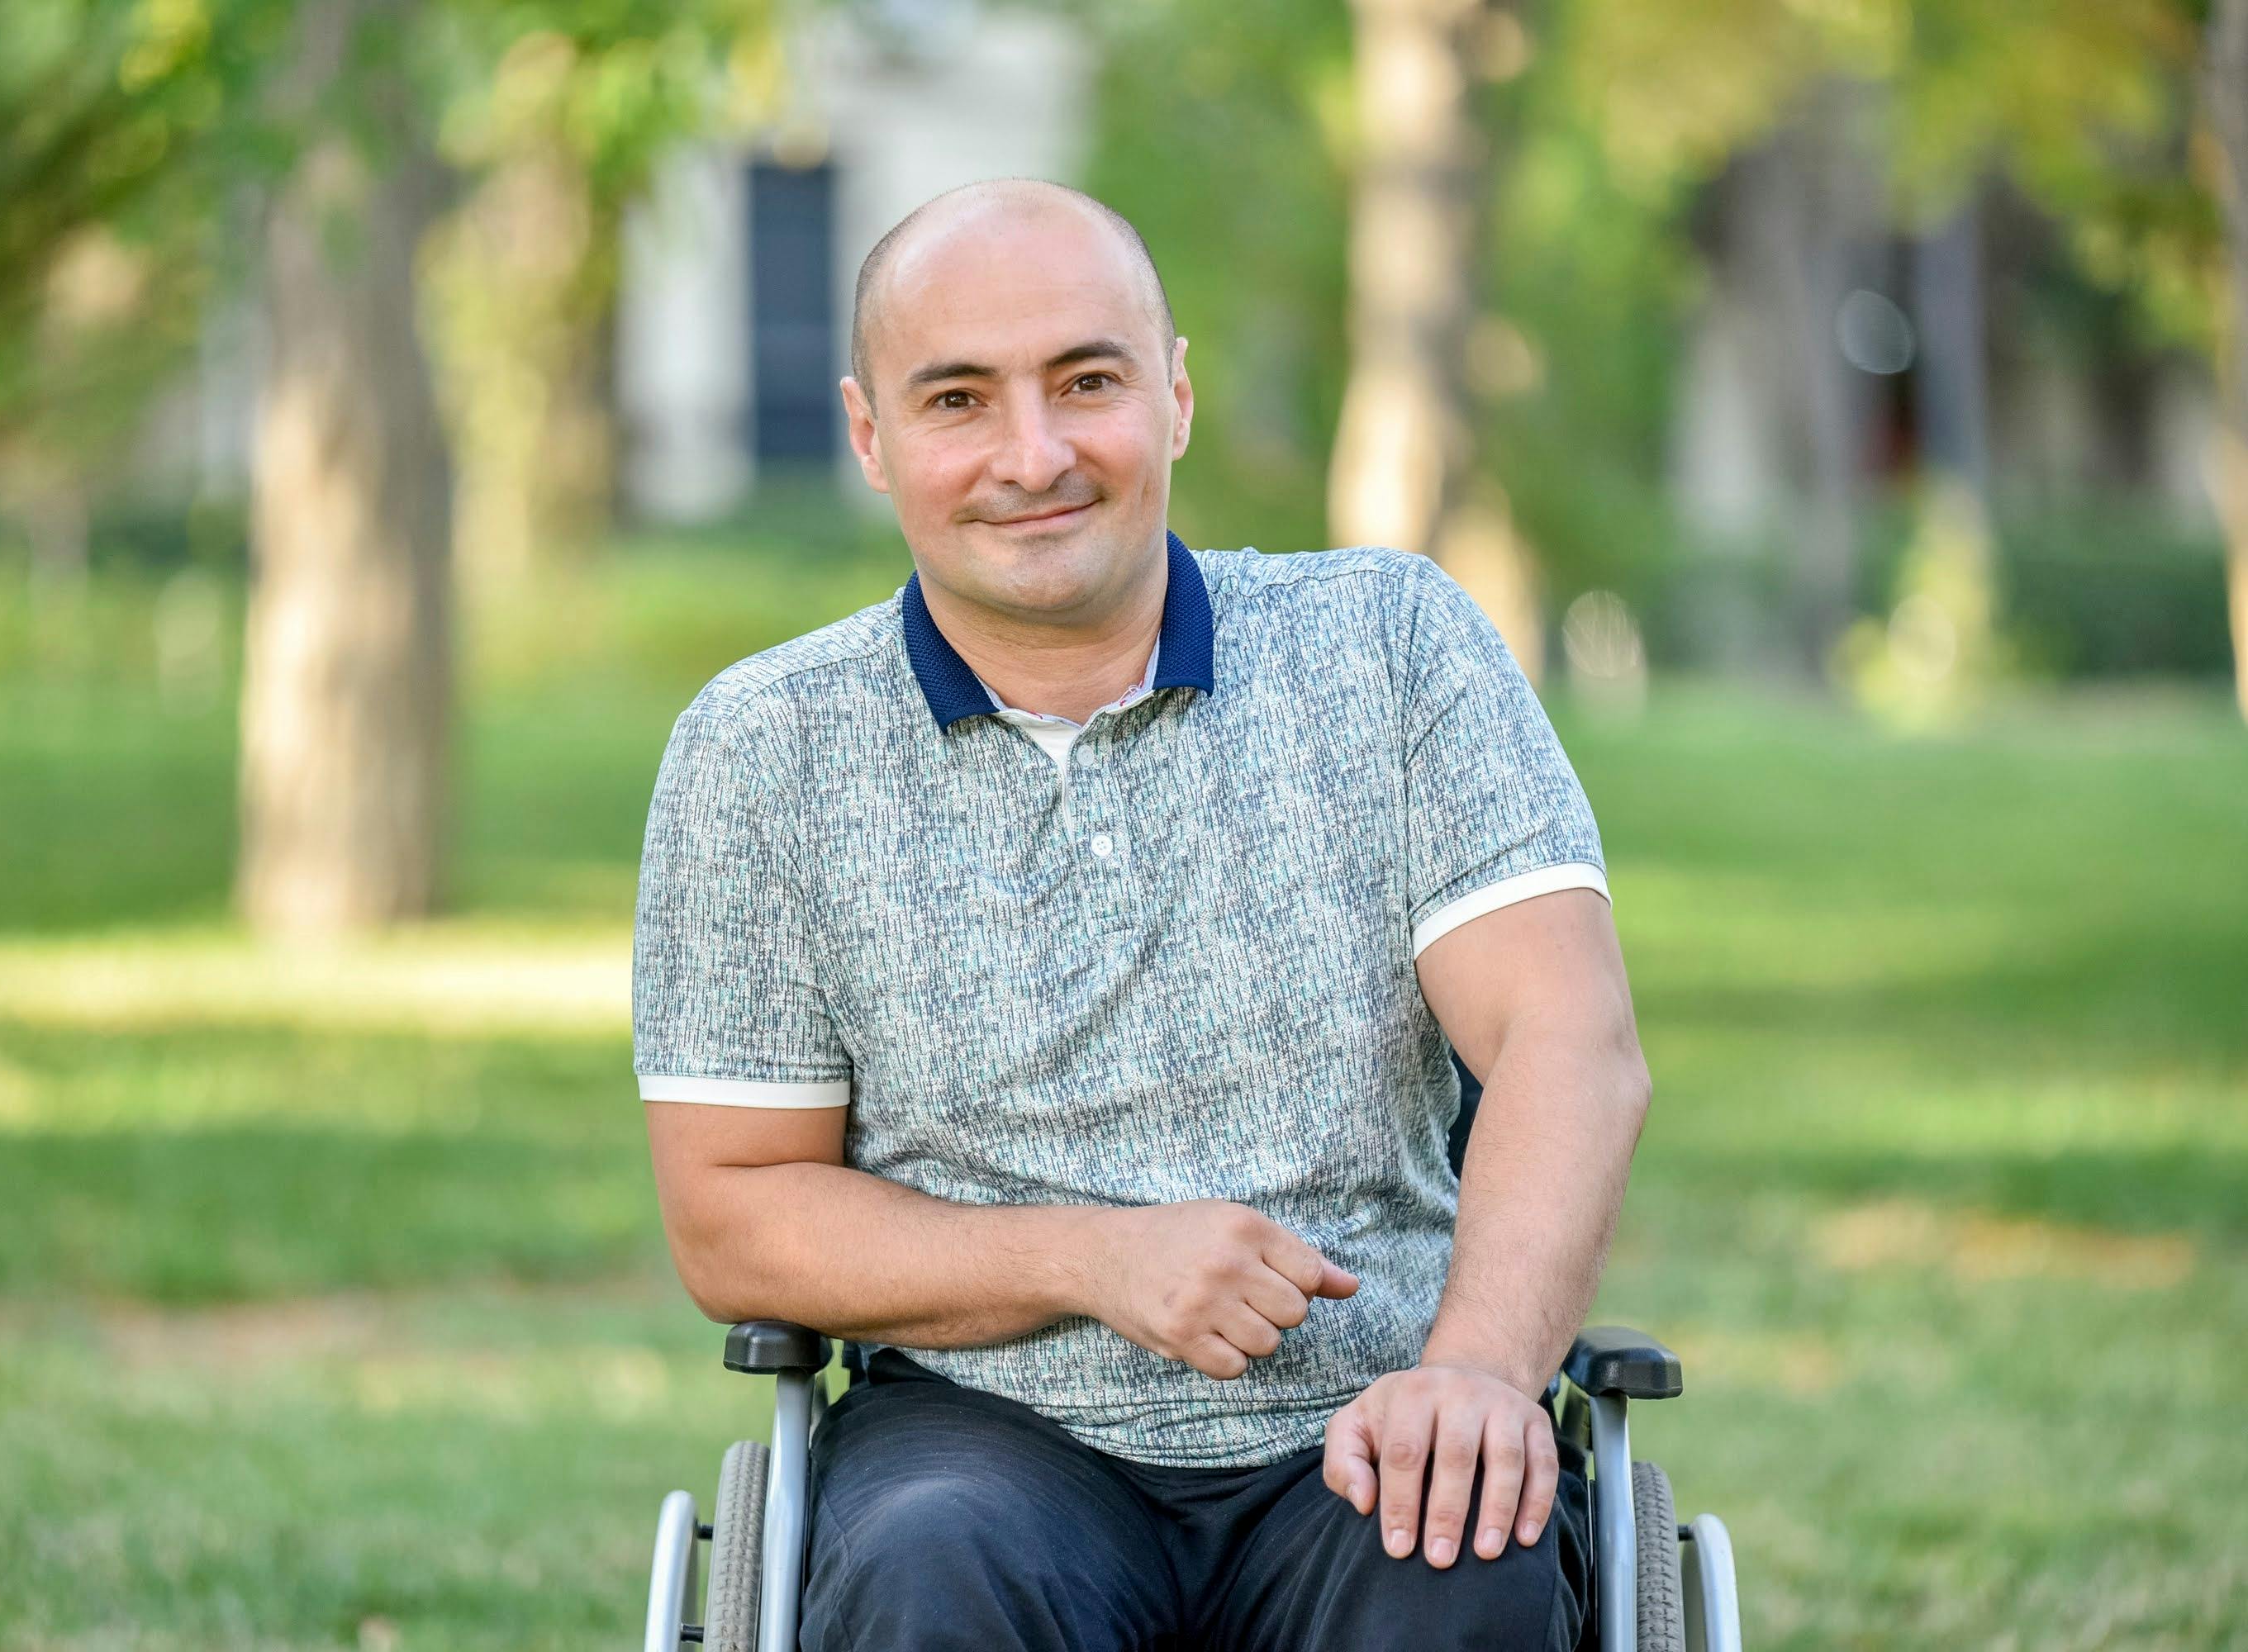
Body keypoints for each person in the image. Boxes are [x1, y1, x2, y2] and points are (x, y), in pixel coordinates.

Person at [632, 177, 1650, 1651]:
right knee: (931, 1574)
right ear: (872, 436)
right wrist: (1091, 1258)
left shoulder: (1392, 646)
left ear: (1173, 397)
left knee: (1462, 1561)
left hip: (1378, 1408)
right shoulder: (764, 749)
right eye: (960, 400)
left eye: (1086, 381)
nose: (1033, 455)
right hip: (980, 1442)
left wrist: (1482, 1374)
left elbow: (1571, 1039)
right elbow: (734, 1214)